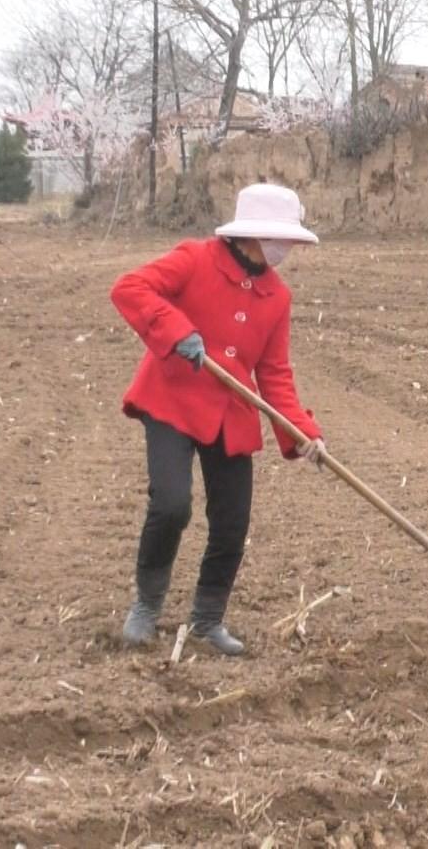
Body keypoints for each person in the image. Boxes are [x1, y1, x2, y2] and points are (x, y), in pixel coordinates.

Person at [110, 183, 327, 656]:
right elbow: (130, 287)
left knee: (232, 521)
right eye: (282, 239)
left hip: (231, 411)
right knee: (171, 505)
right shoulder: (195, 259)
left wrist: (304, 433)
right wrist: (176, 331)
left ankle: (208, 620)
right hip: (171, 398)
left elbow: (274, 376)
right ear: (254, 234)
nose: (286, 249)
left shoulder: (277, 297)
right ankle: (146, 608)